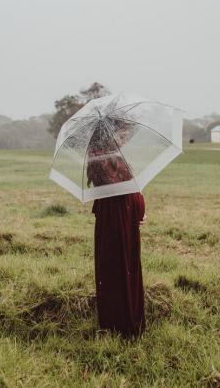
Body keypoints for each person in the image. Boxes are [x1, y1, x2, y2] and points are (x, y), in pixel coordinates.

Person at [87, 122, 146, 338]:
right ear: (107, 135)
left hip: (123, 215)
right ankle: (122, 324)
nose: (124, 140)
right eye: (121, 136)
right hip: (117, 218)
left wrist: (138, 210)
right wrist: (136, 206)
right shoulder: (101, 158)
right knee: (119, 266)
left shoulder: (105, 155)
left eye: (126, 137)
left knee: (122, 265)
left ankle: (124, 321)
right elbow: (121, 191)